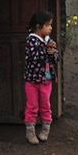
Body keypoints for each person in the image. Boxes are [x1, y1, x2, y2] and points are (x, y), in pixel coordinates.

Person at [23, 11, 60, 145]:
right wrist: (47, 51)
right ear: (39, 26)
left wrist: (53, 53)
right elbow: (34, 57)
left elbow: (56, 58)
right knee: (32, 106)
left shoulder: (50, 41)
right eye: (48, 25)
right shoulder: (31, 40)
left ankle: (45, 129)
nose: (51, 28)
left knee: (45, 105)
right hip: (32, 80)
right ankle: (30, 131)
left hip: (46, 80)